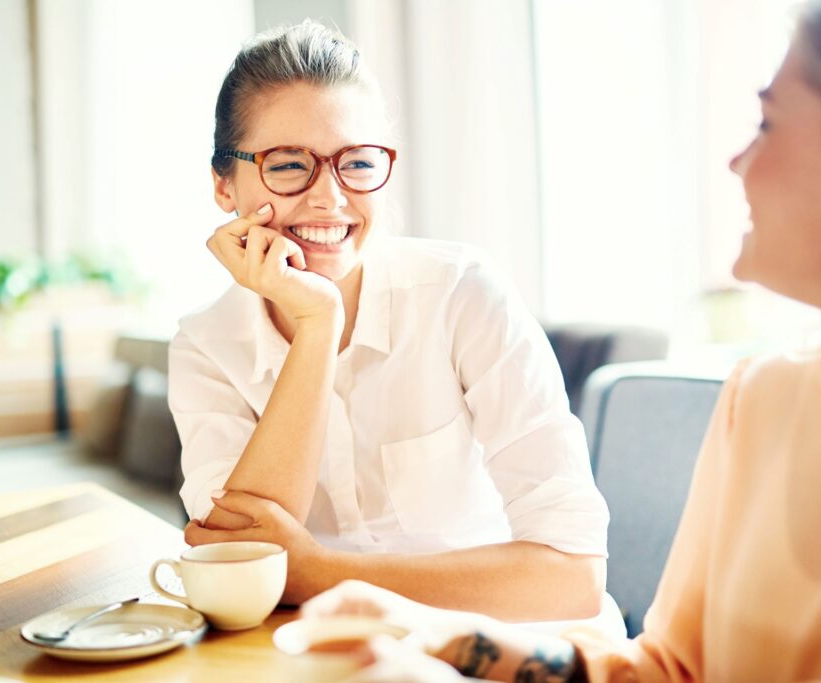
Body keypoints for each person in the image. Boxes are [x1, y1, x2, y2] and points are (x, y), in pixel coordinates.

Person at [298, 0, 821, 680]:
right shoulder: (762, 398)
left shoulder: (462, 290)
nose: (735, 162)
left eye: (767, 122)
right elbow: (665, 666)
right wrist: (438, 632)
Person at [169, 20, 623, 630]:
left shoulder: (462, 294)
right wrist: (318, 323)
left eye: (356, 162)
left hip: (509, 644)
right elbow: (242, 561)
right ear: (225, 184)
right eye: (287, 165)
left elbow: (572, 577)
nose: (330, 198)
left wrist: (324, 573)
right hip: (344, 656)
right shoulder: (205, 345)